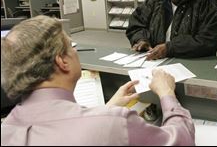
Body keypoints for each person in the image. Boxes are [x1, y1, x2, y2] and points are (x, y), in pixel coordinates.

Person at [1, 15, 195, 146]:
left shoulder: (7, 128)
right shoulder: (114, 123)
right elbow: (181, 141)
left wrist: (107, 108)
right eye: (71, 45)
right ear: (62, 61)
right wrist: (167, 93)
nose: (75, 51)